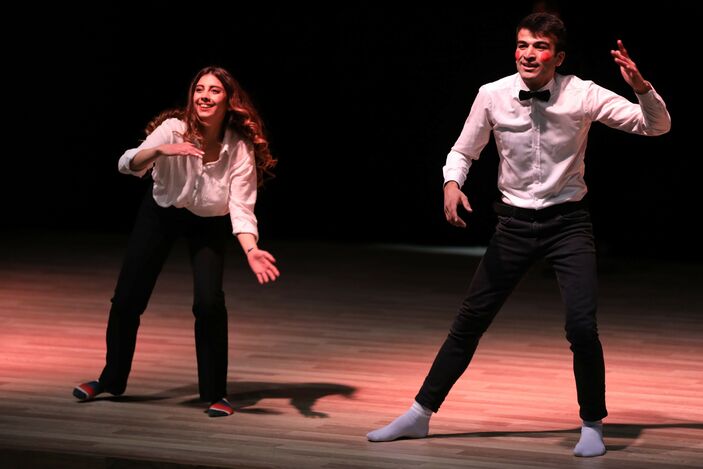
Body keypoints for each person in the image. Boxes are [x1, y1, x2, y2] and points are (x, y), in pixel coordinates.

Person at [366, 12, 670, 457]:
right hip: (513, 224)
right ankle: (419, 414)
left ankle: (592, 424)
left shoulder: (583, 93)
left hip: (567, 223)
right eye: (523, 44)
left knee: (581, 327)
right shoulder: (492, 94)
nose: (529, 54)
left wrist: (641, 87)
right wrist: (451, 183)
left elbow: (656, 125)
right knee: (469, 321)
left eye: (540, 46)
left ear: (558, 57)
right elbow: (463, 151)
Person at [73, 66, 280, 417]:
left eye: (214, 90)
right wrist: (160, 151)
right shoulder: (172, 129)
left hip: (208, 222)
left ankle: (215, 393)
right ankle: (111, 379)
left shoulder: (238, 148)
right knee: (127, 298)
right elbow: (127, 164)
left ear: (228, 100)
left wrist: (251, 249)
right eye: (199, 89)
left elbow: (241, 208)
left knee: (209, 303)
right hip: (162, 212)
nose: (204, 96)